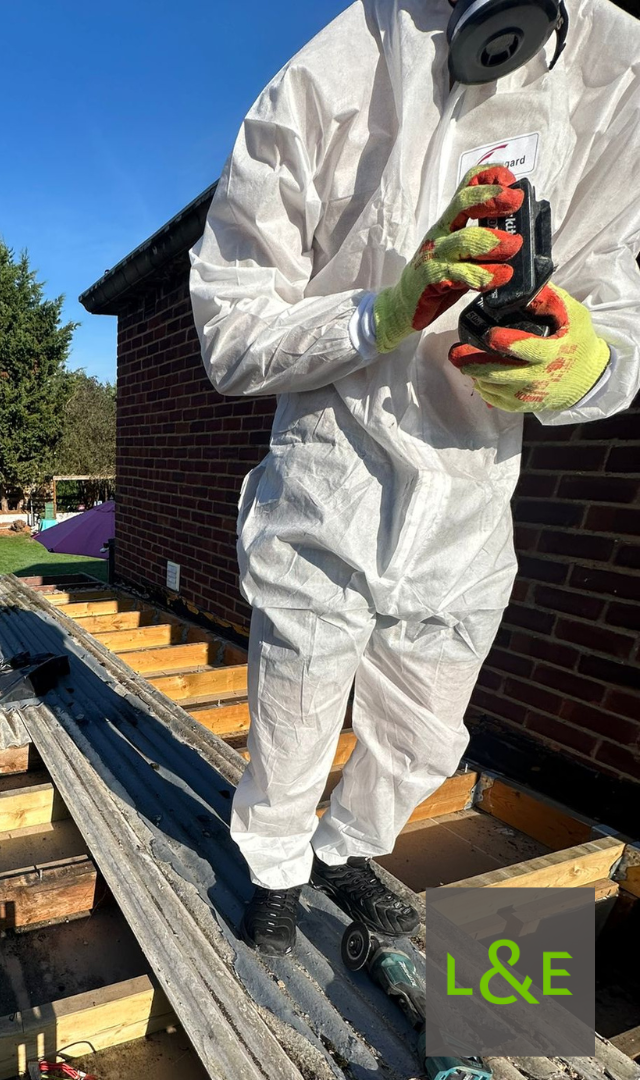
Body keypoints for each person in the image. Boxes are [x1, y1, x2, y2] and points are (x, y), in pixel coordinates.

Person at [189, 0, 640, 956]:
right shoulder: (329, 77)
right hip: (331, 479)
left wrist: (590, 365)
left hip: (469, 502)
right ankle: (276, 865)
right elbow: (229, 332)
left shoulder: (618, 73)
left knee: (427, 734)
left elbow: (621, 300)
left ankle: (346, 851)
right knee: (294, 714)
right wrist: (381, 312)